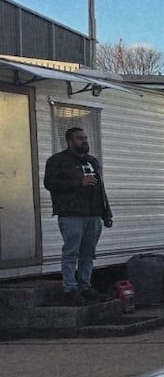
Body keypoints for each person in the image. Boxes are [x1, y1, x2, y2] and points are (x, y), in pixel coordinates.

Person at [43, 126, 113, 304]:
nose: (84, 141)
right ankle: (70, 288)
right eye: (80, 138)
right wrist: (78, 182)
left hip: (93, 213)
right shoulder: (58, 161)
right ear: (69, 141)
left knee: (88, 253)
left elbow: (100, 188)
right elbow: (50, 183)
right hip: (71, 214)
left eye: (85, 138)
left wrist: (106, 213)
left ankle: (85, 285)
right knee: (71, 252)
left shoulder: (92, 161)